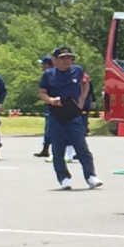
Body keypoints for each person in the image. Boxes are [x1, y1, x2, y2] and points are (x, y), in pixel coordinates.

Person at [39, 46, 103, 190]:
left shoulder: (77, 70)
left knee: (81, 146)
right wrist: (50, 100)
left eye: (69, 58)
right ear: (54, 60)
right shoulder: (48, 75)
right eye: (62, 58)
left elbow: (85, 84)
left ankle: (90, 176)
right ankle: (64, 178)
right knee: (58, 149)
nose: (66, 61)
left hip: (73, 113)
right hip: (56, 114)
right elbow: (42, 92)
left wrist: (81, 101)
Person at [34, 55, 54, 158]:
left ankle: (50, 149)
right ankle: (45, 149)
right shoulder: (48, 75)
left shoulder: (51, 75)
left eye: (43, 64)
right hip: (49, 104)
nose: (42, 66)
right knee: (48, 127)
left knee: (51, 128)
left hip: (53, 105)